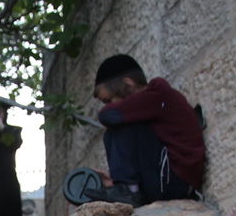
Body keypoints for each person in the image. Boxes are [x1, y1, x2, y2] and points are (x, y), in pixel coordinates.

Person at [86, 54, 206, 206]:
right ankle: (127, 188)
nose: (108, 106)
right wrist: (115, 181)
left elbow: (109, 115)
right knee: (111, 134)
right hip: (165, 181)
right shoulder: (148, 106)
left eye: (108, 100)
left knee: (122, 124)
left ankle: (129, 190)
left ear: (128, 84)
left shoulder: (158, 94)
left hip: (176, 183)